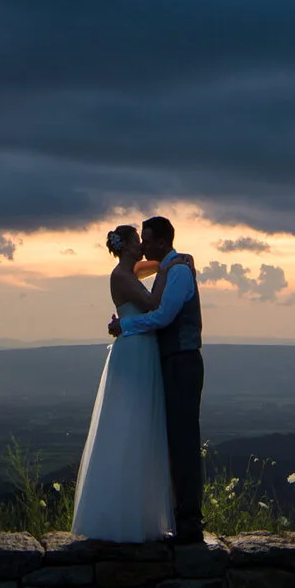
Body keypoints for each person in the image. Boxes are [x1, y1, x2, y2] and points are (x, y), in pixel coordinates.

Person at [68, 224, 173, 541]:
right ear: (126, 246)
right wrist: (170, 270)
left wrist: (169, 260)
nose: (142, 245)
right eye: (137, 241)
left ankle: (137, 512)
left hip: (139, 347)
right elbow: (153, 304)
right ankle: (124, 516)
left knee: (138, 422)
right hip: (134, 351)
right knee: (130, 422)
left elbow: (151, 265)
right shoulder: (121, 277)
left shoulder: (129, 272)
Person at [108, 213, 202, 543]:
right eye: (140, 242)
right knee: (172, 440)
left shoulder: (178, 273)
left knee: (184, 441)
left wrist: (125, 325)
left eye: (146, 241)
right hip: (169, 361)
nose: (143, 248)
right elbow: (143, 268)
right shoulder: (170, 266)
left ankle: (189, 522)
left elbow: (162, 316)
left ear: (161, 242)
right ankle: (179, 517)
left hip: (182, 362)